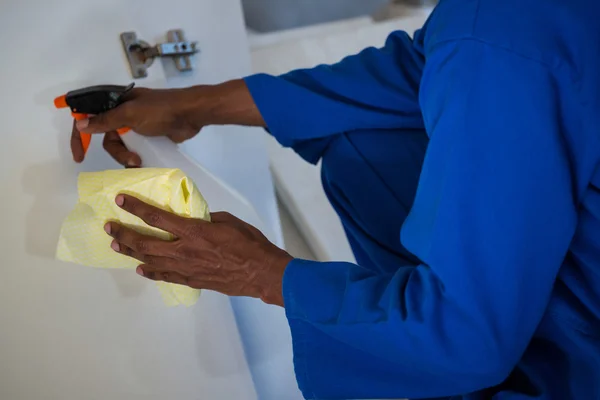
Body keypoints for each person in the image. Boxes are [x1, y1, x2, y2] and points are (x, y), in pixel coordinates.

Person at [71, 0, 600, 398]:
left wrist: (263, 274)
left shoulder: (503, 38)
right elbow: (419, 69)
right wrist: (198, 105)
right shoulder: (510, 26)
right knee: (365, 145)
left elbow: (466, 333)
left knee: (455, 340)